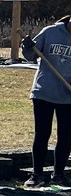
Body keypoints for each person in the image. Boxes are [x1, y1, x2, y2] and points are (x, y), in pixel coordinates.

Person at [21, 16, 71, 186]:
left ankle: (59, 175)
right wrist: (27, 47)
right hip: (44, 92)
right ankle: (37, 175)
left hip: (68, 97)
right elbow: (30, 56)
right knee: (42, 133)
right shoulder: (50, 32)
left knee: (66, 136)